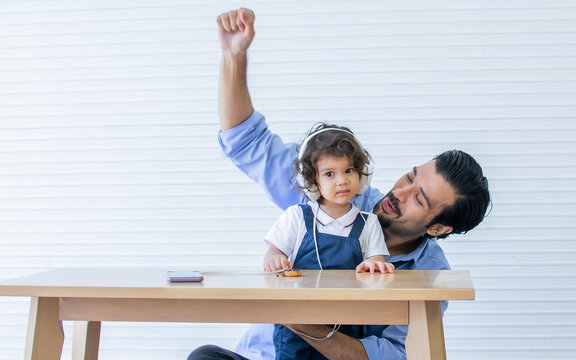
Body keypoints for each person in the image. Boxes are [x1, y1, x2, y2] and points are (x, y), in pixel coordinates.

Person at [188, 7, 491, 360]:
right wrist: (234, 55)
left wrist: (309, 328)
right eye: (410, 176)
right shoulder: (340, 192)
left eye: (419, 198)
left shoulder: (432, 276)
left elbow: (392, 355)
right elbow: (247, 142)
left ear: (438, 227)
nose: (400, 192)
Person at [264, 123, 395, 360]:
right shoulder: (297, 217)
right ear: (312, 181)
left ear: (362, 175)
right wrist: (276, 259)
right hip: (297, 326)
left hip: (345, 329)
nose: (342, 181)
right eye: (330, 174)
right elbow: (273, 252)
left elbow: (376, 260)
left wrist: (375, 265)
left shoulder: (368, 223)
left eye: (349, 170)